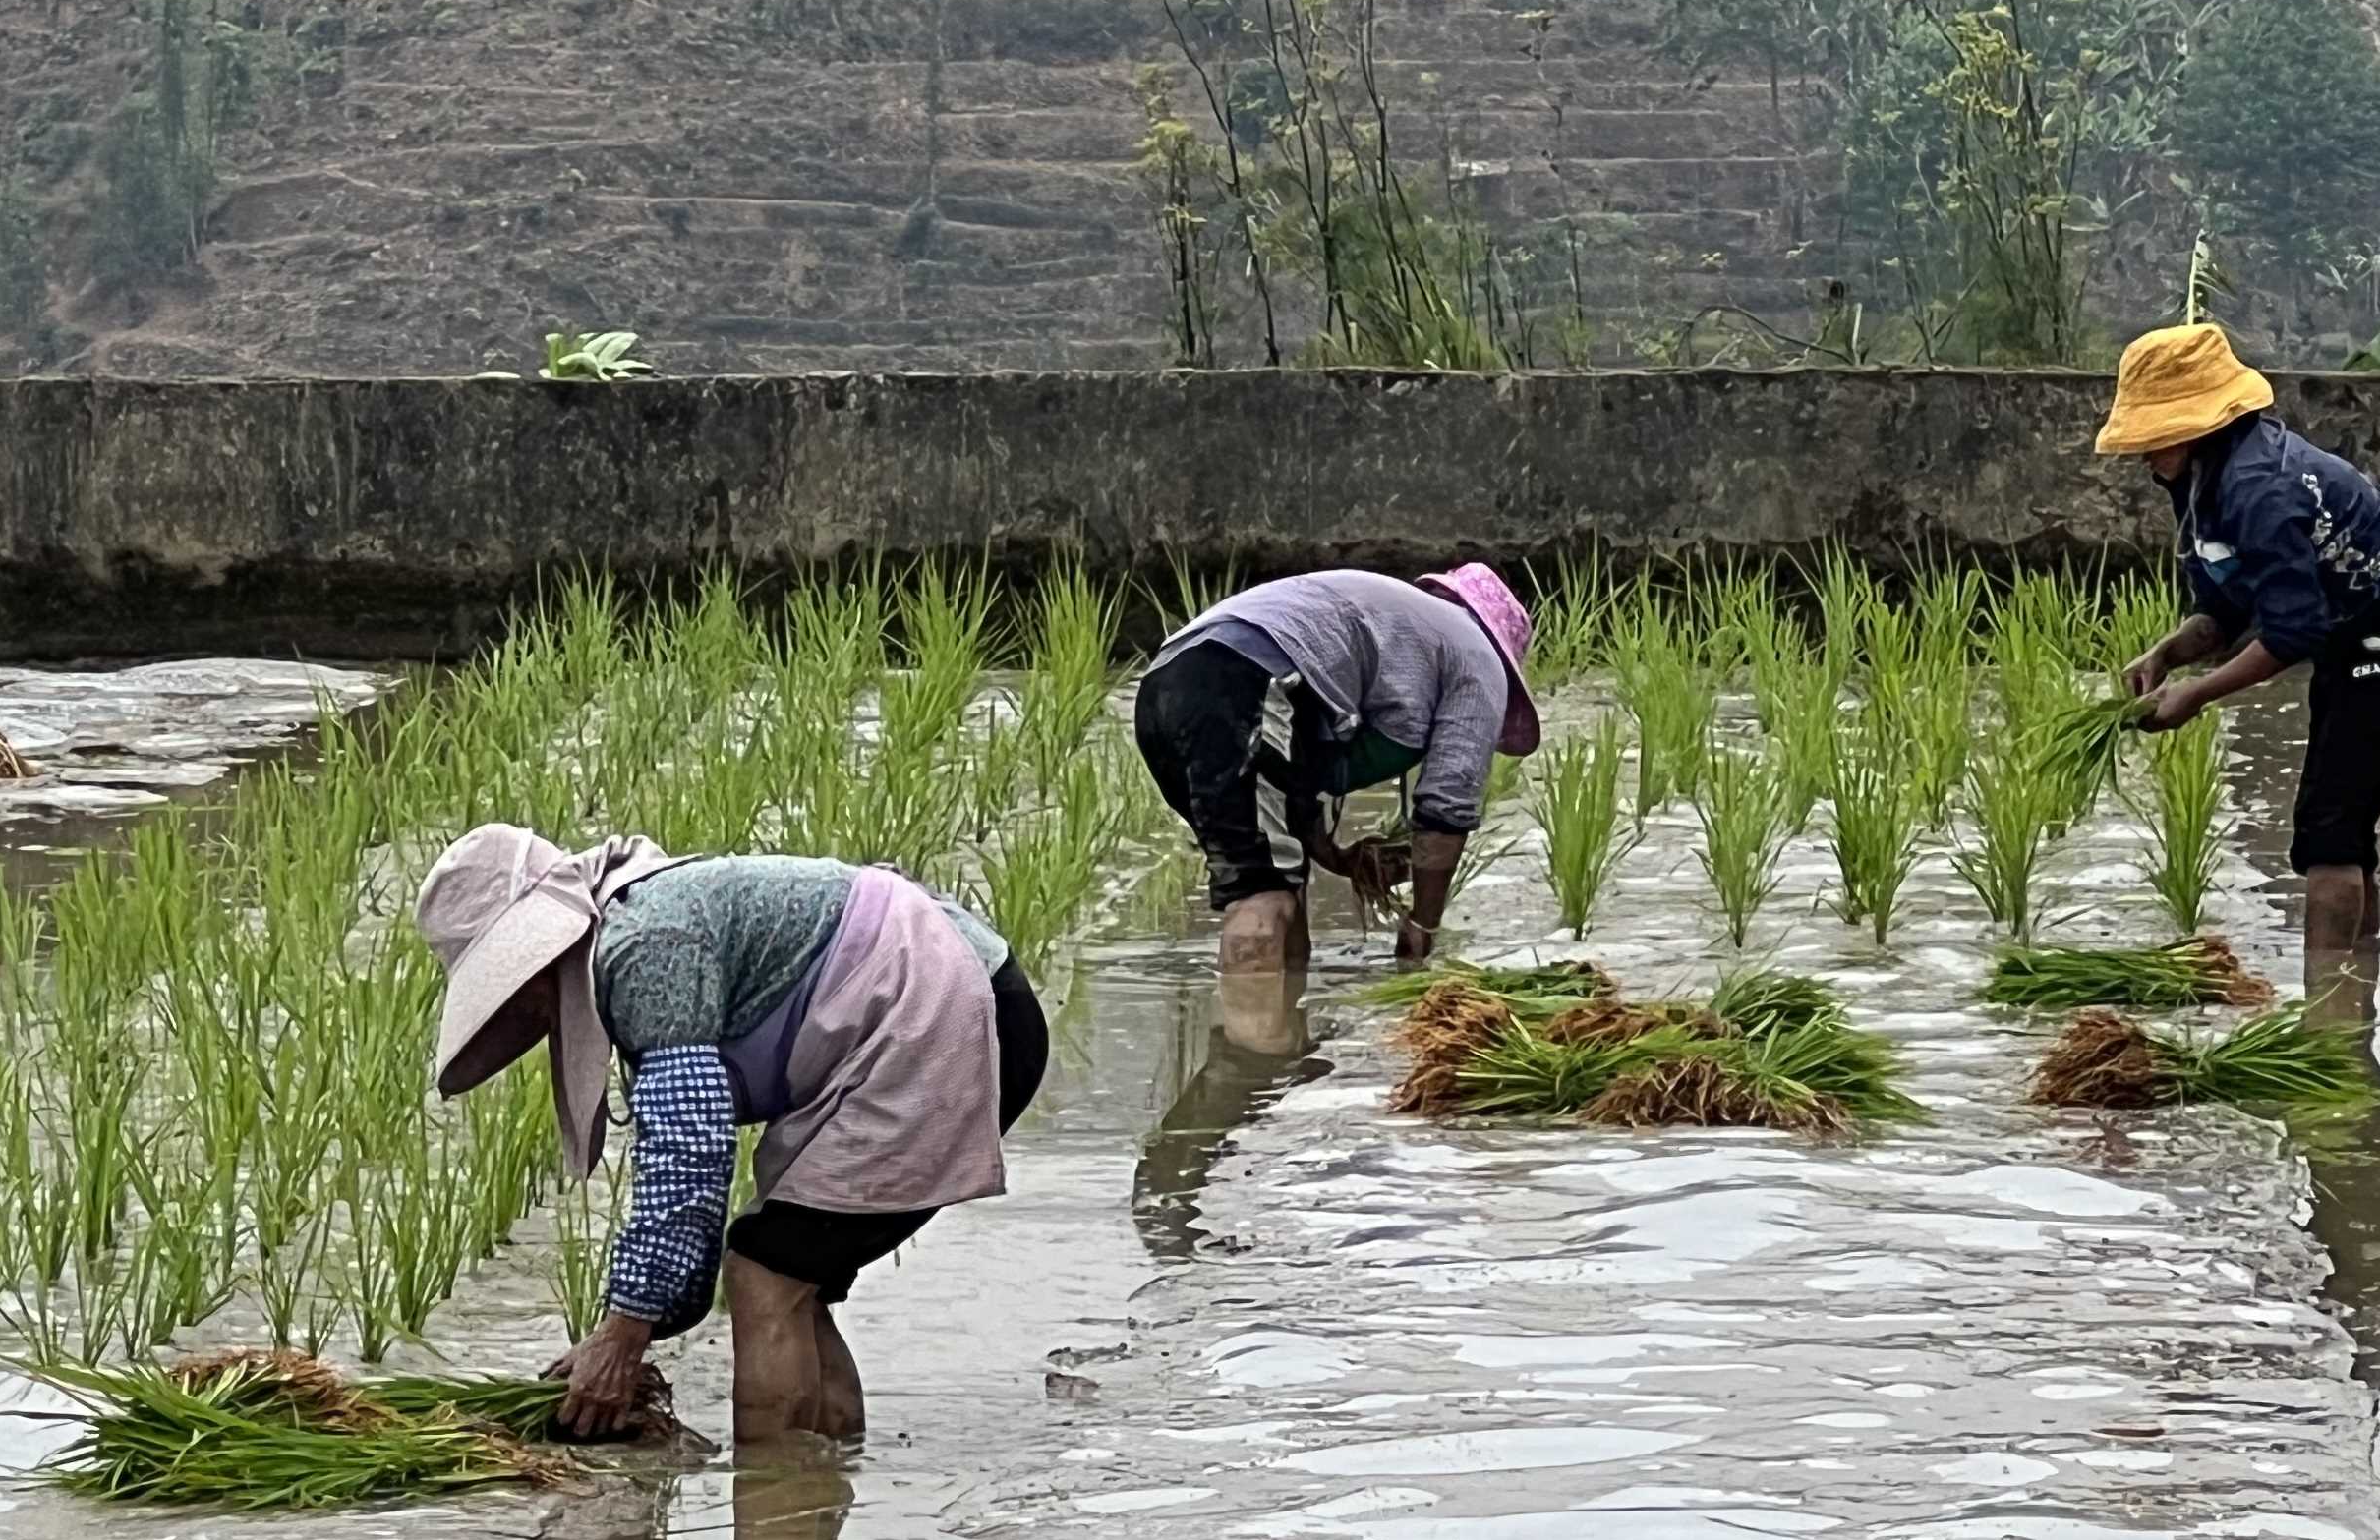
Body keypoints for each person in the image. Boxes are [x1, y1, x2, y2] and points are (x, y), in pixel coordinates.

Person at [417, 828, 1045, 1448]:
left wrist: (625, 1332)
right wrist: (631, 1326)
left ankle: (775, 1516)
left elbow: (688, 1154)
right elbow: (679, 1149)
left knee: (764, 1275)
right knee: (793, 1279)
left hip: (946, 1014)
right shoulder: (639, 926)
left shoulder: (644, 946)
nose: (521, 1008)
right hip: (952, 1000)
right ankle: (826, 1478)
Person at [2100, 320, 2380, 1001]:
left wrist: (2197, 695)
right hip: (2355, 637)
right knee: (2342, 817)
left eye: (2152, 436)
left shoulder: (2257, 487)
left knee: (2330, 826)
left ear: (2194, 424)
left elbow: (2292, 632)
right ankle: (2354, 996)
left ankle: (2327, 1025)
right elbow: (2232, 609)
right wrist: (2168, 653)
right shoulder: (2203, 481)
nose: (2142, 454)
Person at [1132, 564, 1541, 980]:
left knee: (1279, 875)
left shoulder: (1399, 624)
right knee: (1260, 895)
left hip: (1162, 685)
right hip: (1242, 679)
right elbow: (1448, 805)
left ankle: (1286, 1035)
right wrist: (1423, 923)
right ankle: (1255, 1045)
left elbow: (1296, 775)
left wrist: (1338, 858)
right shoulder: (1478, 656)